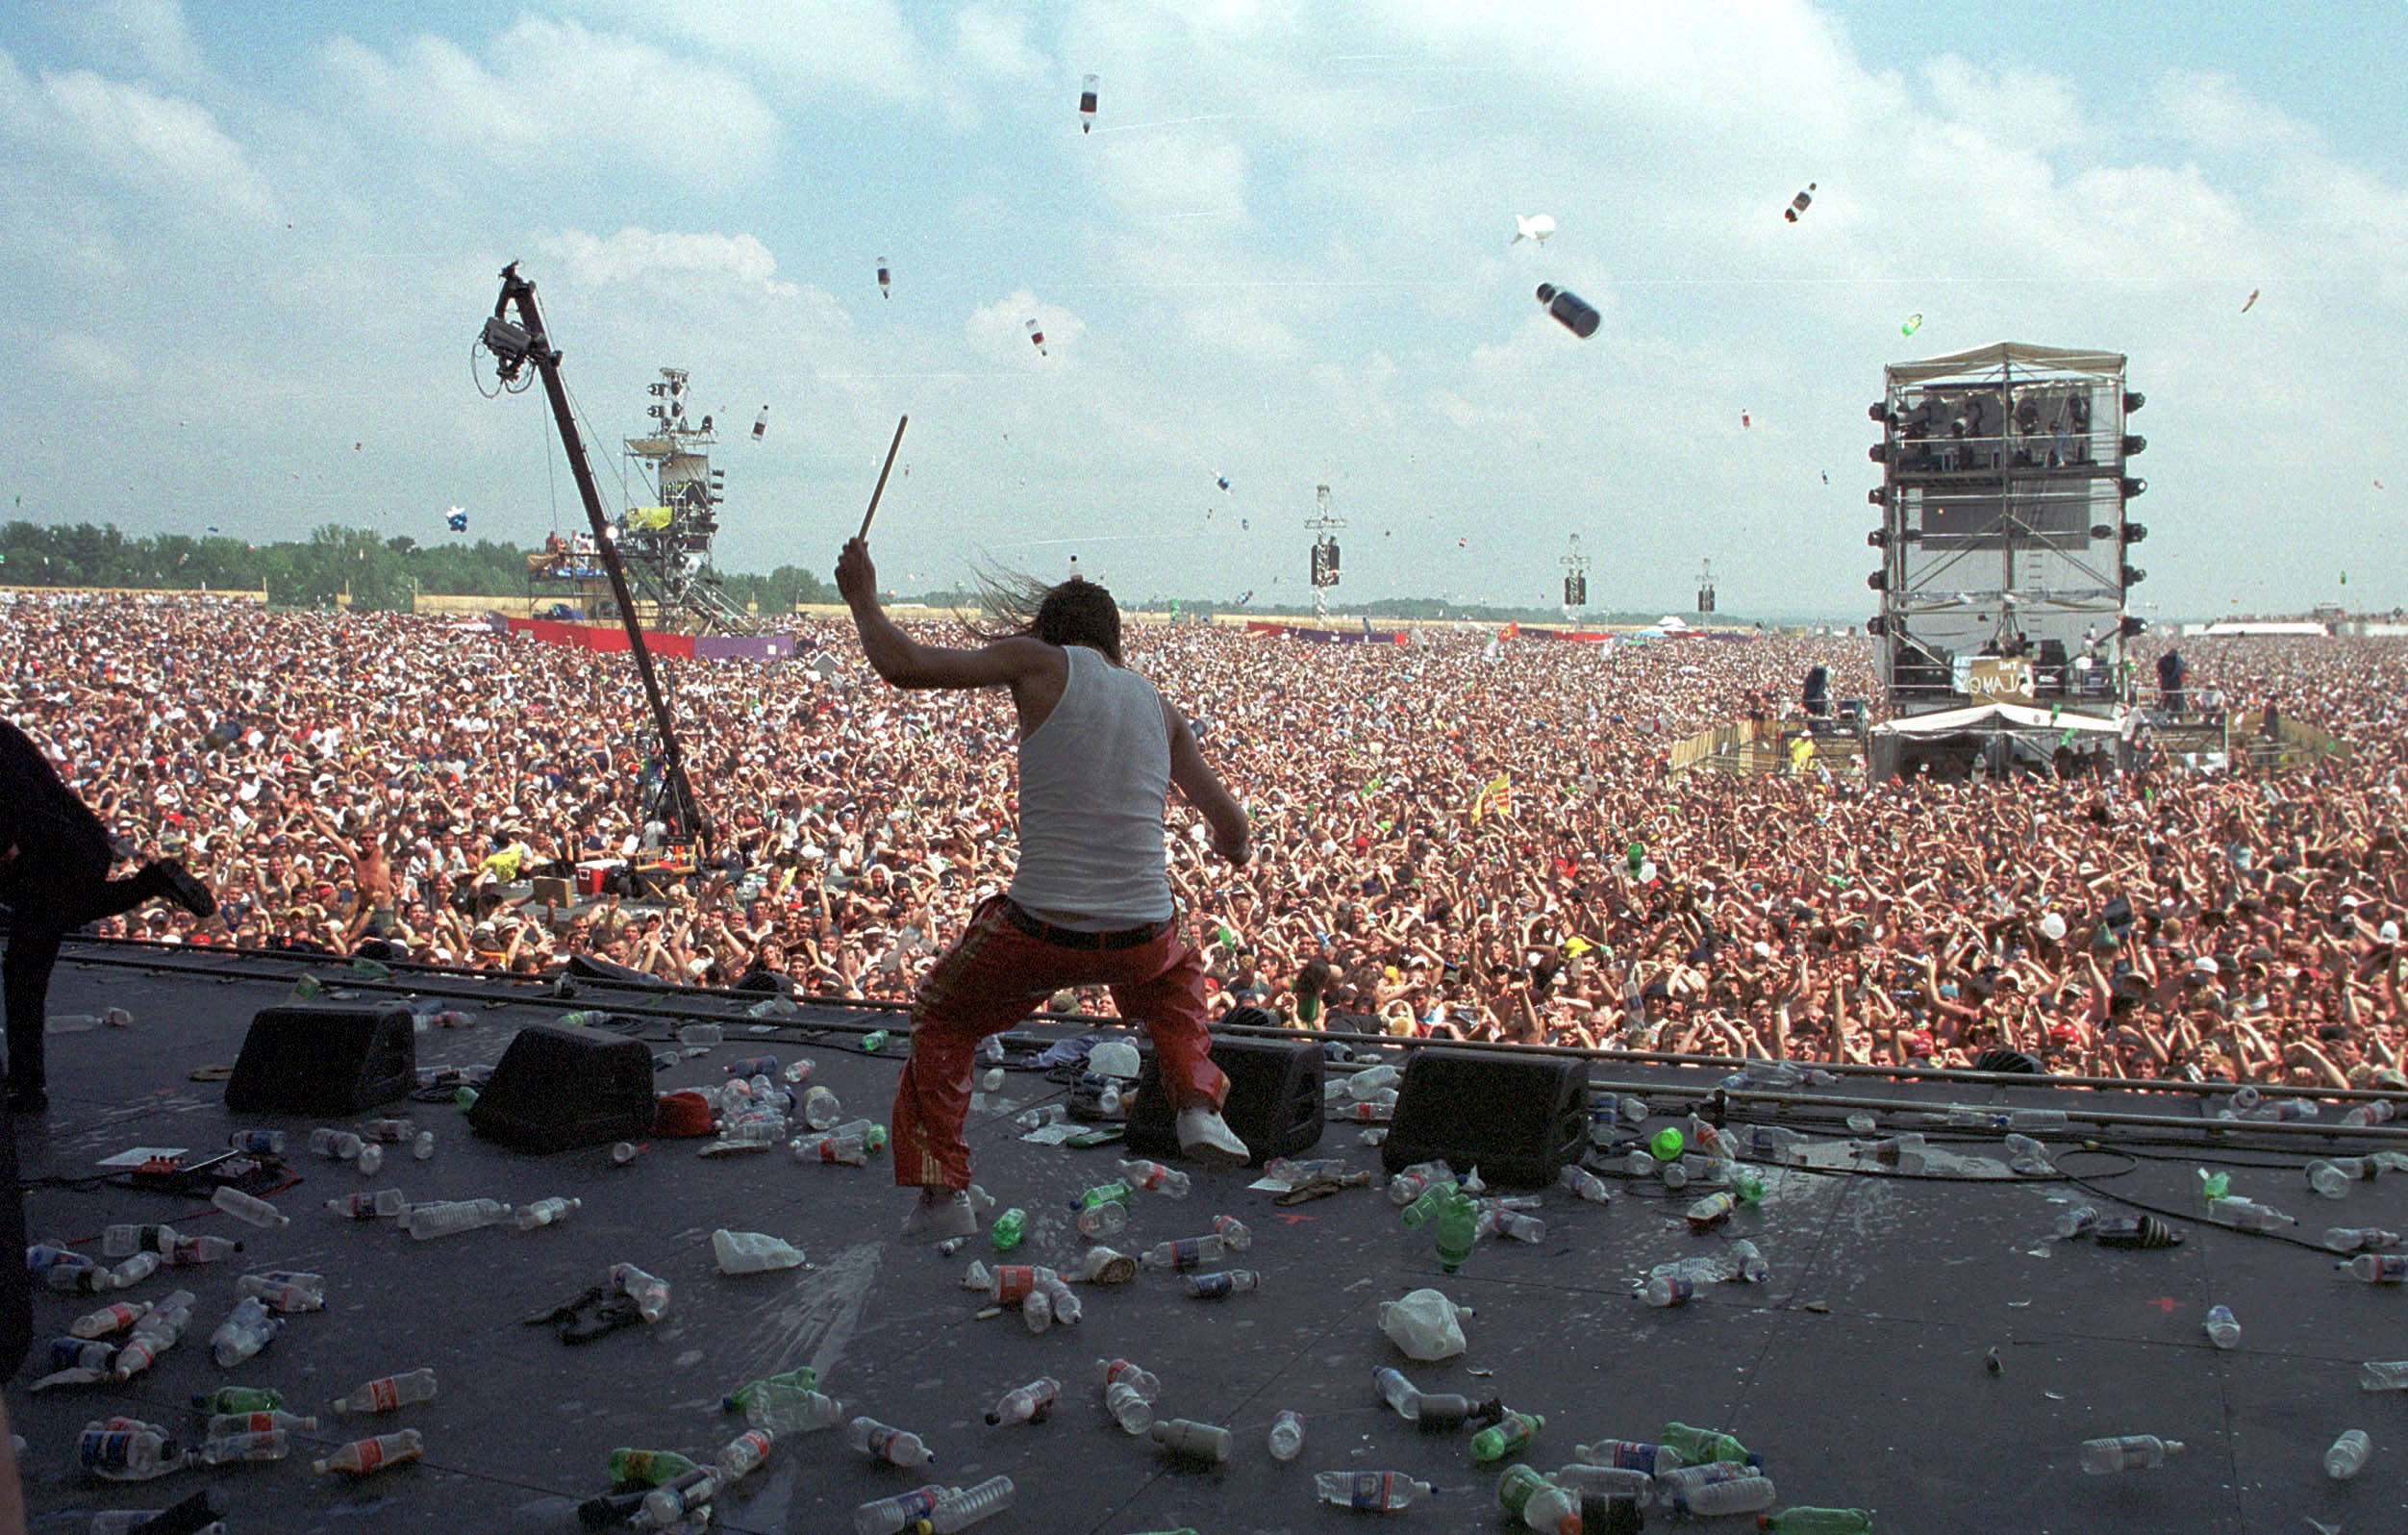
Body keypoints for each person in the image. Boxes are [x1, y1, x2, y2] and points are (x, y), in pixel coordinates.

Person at [836, 539, 1255, 1244]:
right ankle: (1196, 1104)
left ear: (1052, 633)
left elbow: (905, 666)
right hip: (1140, 935)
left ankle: (944, 1196)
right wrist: (1232, 848)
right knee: (1176, 978)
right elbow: (1232, 824)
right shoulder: (1160, 707)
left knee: (943, 1016)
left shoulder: (1037, 662)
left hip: (1039, 929)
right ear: (1114, 640)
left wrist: (863, 599)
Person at [0, 716, 215, 1113]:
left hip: (41, 856)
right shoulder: (8, 734)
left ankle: (27, 1086)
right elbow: (52, 788)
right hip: (81, 843)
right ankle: (148, 883)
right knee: (66, 912)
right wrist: (102, 837)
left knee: (24, 972)